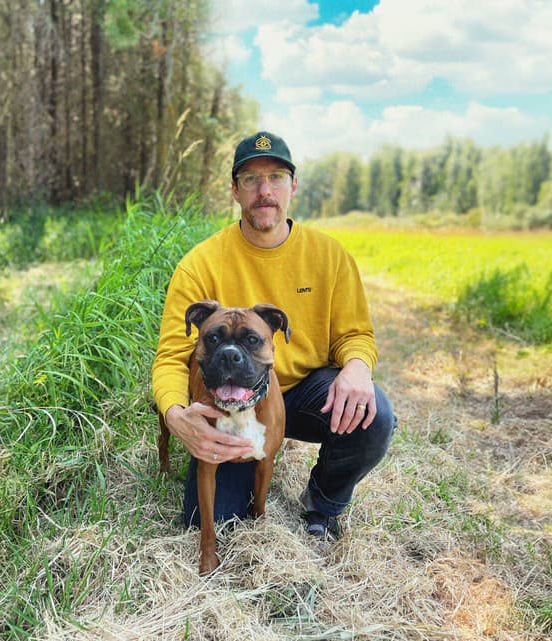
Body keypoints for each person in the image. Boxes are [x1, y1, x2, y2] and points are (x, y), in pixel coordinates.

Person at [151, 130, 396, 541]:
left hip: (304, 393)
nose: (265, 191)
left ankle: (322, 505)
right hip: (225, 398)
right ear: (234, 190)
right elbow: (171, 357)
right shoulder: (199, 264)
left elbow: (355, 333)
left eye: (277, 177)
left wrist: (356, 366)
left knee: (376, 416)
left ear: (293, 186)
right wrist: (177, 417)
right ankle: (240, 466)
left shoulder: (329, 256)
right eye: (250, 179)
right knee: (213, 524)